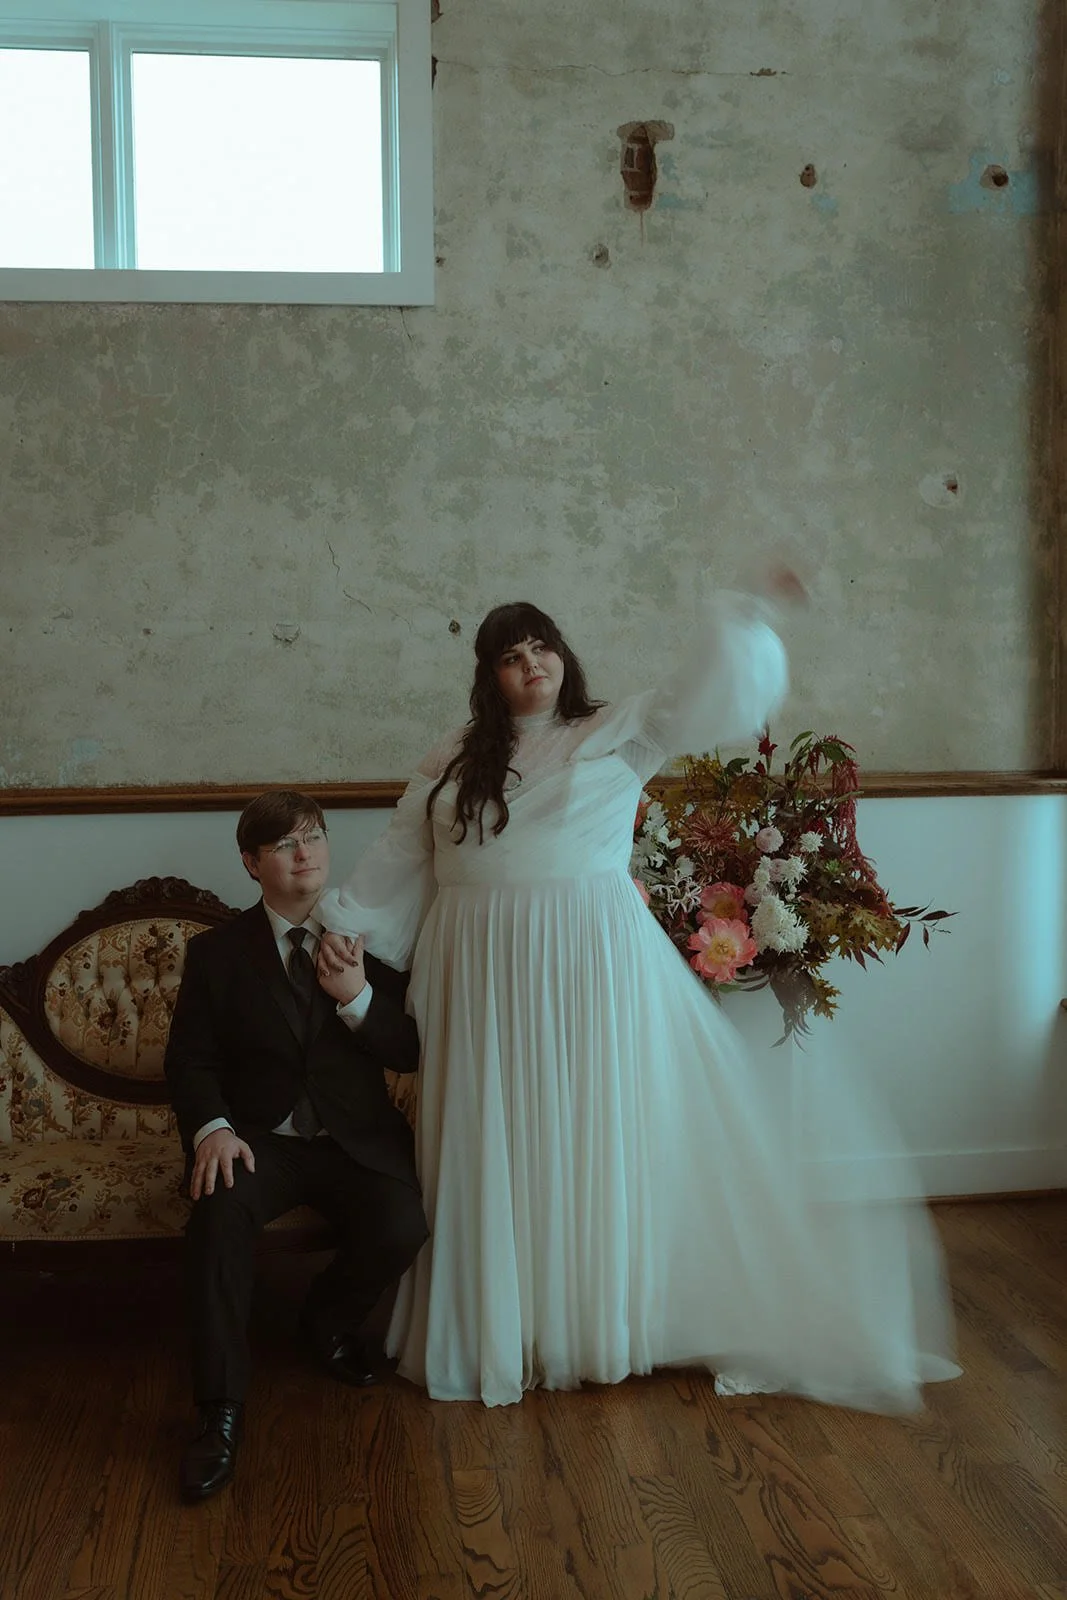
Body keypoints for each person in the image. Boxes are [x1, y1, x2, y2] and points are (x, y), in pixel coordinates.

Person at [315, 578, 959, 1409]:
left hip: (585, 958)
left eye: (541, 646)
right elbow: (403, 855)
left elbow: (703, 696)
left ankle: (593, 1321)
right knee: (491, 1132)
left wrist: (739, 617)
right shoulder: (452, 756)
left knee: (585, 1128)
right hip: (473, 964)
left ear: (563, 654)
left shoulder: (620, 728)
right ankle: (501, 1326)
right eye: (509, 657)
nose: (530, 665)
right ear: (488, 675)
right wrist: (342, 929)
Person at [164, 790, 427, 1502]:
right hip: (259, 1142)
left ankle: (328, 1319)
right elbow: (189, 1061)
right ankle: (218, 1412)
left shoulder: (375, 939)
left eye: (313, 837)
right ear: (252, 863)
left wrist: (356, 999)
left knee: (405, 1222)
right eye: (283, 845)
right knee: (216, 1217)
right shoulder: (215, 954)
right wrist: (212, 1130)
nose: (304, 853)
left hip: (354, 1141)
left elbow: (407, 1048)